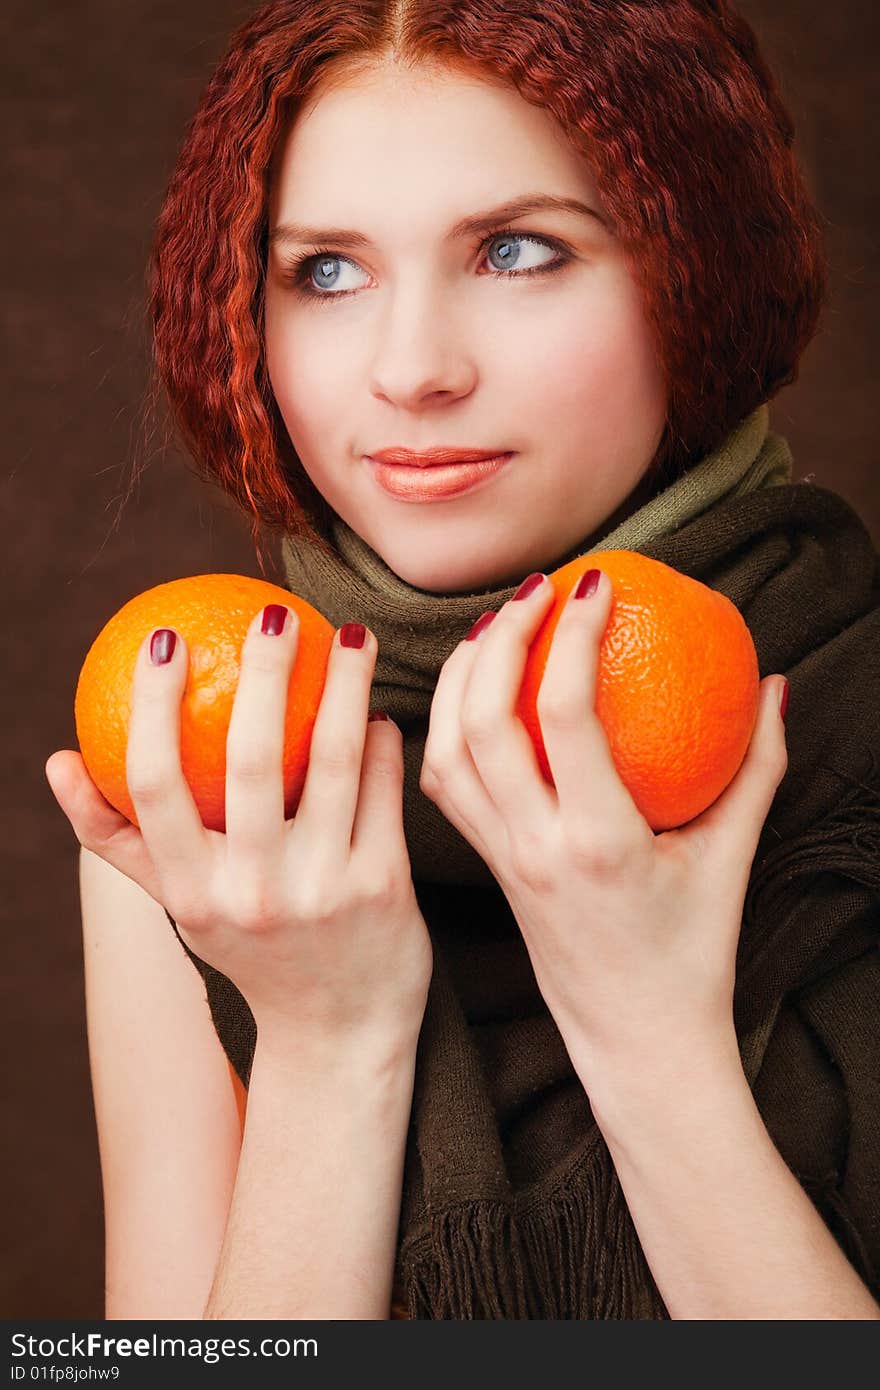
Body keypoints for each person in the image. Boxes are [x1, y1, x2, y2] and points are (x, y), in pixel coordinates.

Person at [45, 0, 880, 1320]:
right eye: (325, 270)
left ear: (702, 267)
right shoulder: (213, 790)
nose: (412, 368)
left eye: (518, 249)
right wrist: (331, 1046)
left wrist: (654, 1044)